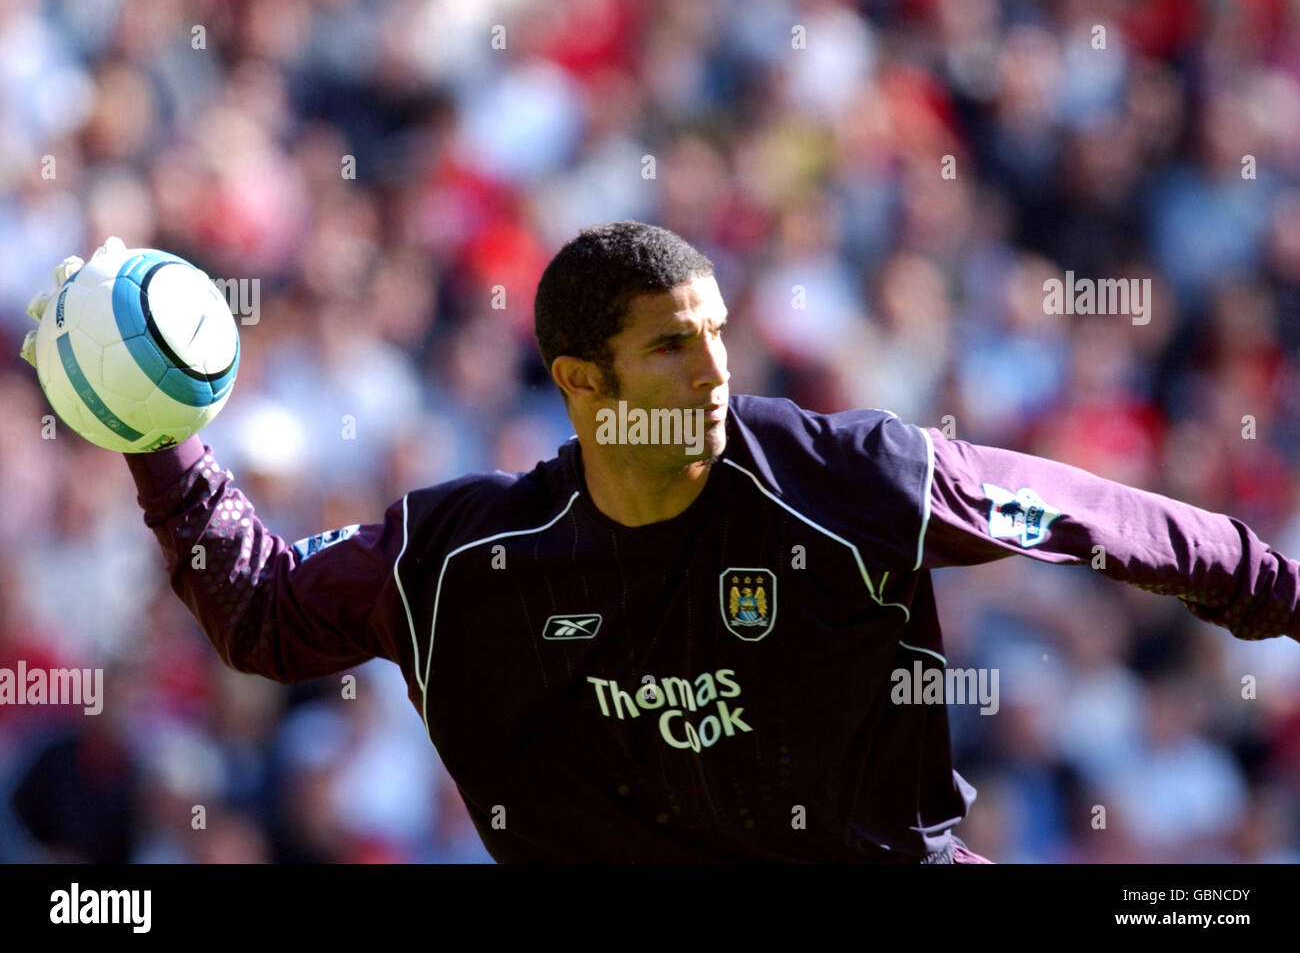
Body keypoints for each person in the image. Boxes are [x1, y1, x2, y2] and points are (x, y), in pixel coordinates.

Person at [102, 221, 1298, 862]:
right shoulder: (461, 561)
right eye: (673, 343)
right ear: (581, 380)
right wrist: (158, 437)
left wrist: (1279, 591)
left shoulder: (845, 478)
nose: (716, 366)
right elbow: (259, 613)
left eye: (718, 331)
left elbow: (1099, 517)